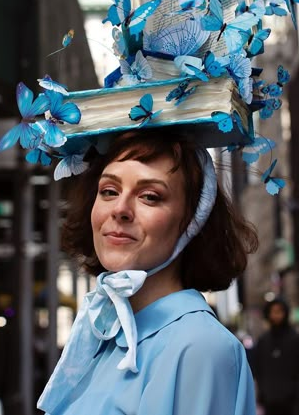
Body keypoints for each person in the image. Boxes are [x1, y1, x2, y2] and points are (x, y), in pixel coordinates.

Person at [37, 128, 259, 415]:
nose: (120, 209)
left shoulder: (199, 347)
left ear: (194, 220)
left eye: (150, 196)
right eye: (109, 191)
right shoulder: (105, 339)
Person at [252, 297, 299, 415]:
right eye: (273, 312)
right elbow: (259, 369)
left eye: (279, 311)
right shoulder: (263, 340)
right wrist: (263, 392)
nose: (276, 315)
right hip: (270, 401)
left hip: (293, 402)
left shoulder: (297, 339)